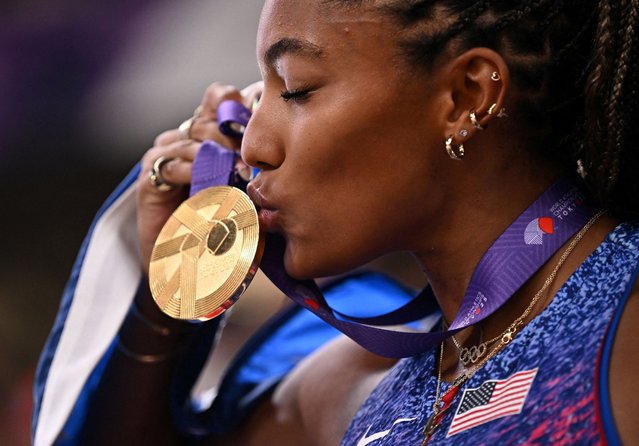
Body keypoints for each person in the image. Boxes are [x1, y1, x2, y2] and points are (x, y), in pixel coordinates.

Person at [33, 0, 639, 445]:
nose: (254, 145)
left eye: (294, 88)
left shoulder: (625, 321)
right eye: (259, 94)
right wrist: (176, 290)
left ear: (465, 96)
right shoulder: (353, 389)